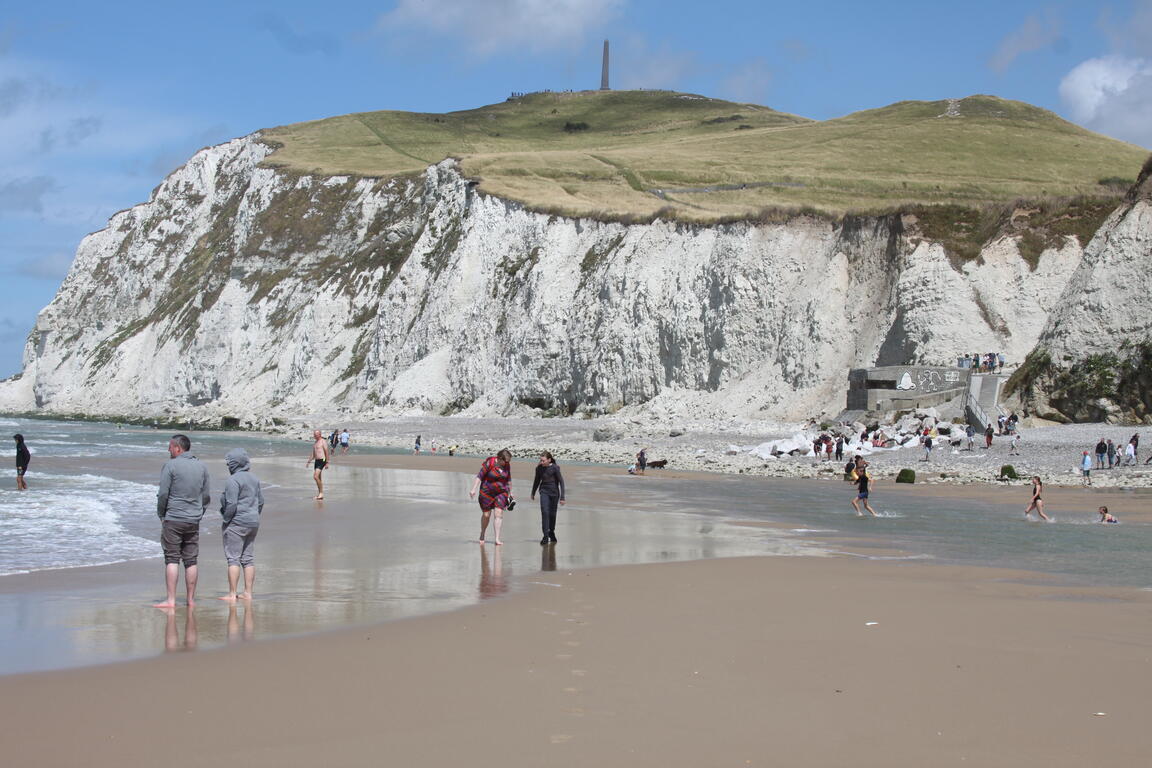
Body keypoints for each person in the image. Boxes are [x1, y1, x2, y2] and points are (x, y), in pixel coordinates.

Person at [155, 434, 211, 609]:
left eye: (170, 446)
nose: (168, 449)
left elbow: (163, 493)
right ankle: (191, 600)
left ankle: (171, 600)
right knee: (191, 560)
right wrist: (199, 512)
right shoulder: (202, 466)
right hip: (193, 519)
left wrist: (161, 514)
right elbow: (206, 495)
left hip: (174, 517)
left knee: (172, 559)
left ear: (178, 448)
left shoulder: (170, 465)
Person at [218, 448, 263, 602]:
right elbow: (261, 501)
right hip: (253, 521)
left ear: (234, 464)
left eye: (229, 463)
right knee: (248, 559)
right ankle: (248, 593)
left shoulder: (233, 480)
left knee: (233, 559)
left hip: (237, 521)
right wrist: (254, 515)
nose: (228, 466)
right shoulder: (254, 478)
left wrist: (226, 520)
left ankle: (232, 594)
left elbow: (231, 504)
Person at [469, 449, 512, 545]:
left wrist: (510, 492)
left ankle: (497, 539)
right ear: (500, 458)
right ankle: (483, 533)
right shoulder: (490, 463)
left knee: (499, 513)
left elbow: (508, 478)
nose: (507, 463)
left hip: (501, 492)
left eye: (508, 461)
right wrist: (473, 489)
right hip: (486, 492)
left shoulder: (507, 465)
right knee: (486, 515)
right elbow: (480, 476)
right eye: (506, 461)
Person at [530, 451, 565, 545]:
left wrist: (562, 497)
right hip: (544, 492)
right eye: (540, 460)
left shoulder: (555, 468)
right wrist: (533, 492)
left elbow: (561, 482)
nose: (541, 462)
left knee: (552, 514)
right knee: (545, 512)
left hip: (554, 494)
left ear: (549, 460)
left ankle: (551, 532)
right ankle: (545, 536)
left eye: (543, 461)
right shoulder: (539, 468)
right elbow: (537, 480)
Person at [306, 429, 330, 500]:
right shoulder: (315, 442)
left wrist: (327, 462)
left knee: (315, 476)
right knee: (319, 478)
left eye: (315, 435)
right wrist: (309, 461)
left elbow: (326, 452)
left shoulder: (323, 441)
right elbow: (313, 454)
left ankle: (321, 493)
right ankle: (320, 494)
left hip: (322, 460)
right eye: (314, 434)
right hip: (317, 461)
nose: (314, 436)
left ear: (319, 434)